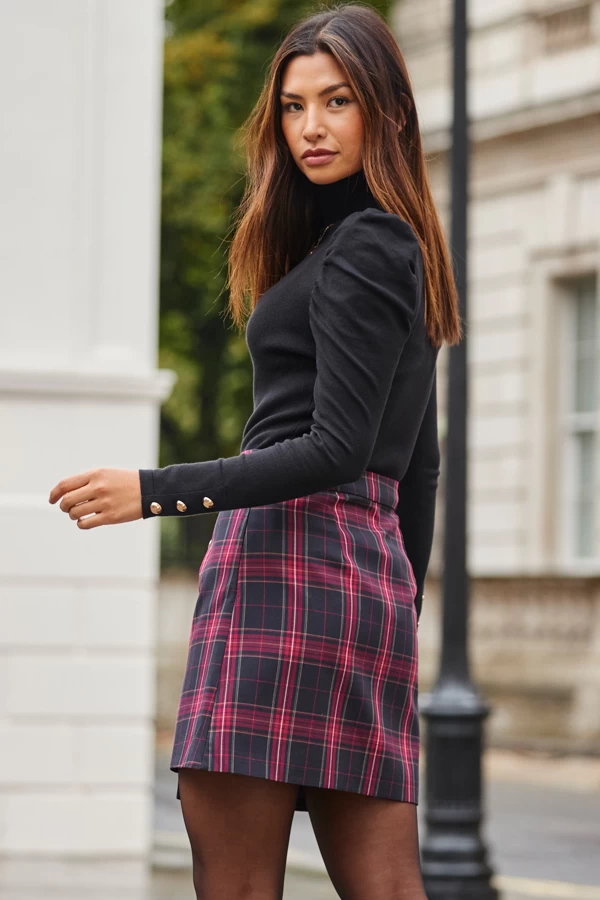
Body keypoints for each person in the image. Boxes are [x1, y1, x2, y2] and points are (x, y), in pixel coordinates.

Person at [49, 3, 461, 898]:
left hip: (285, 562)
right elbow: (418, 464)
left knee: (236, 884)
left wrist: (154, 490)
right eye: (293, 106)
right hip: (363, 579)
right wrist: (397, 609)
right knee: (388, 885)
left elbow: (336, 448)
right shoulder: (396, 247)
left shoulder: (364, 245)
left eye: (338, 101)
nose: (311, 127)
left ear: (388, 112)